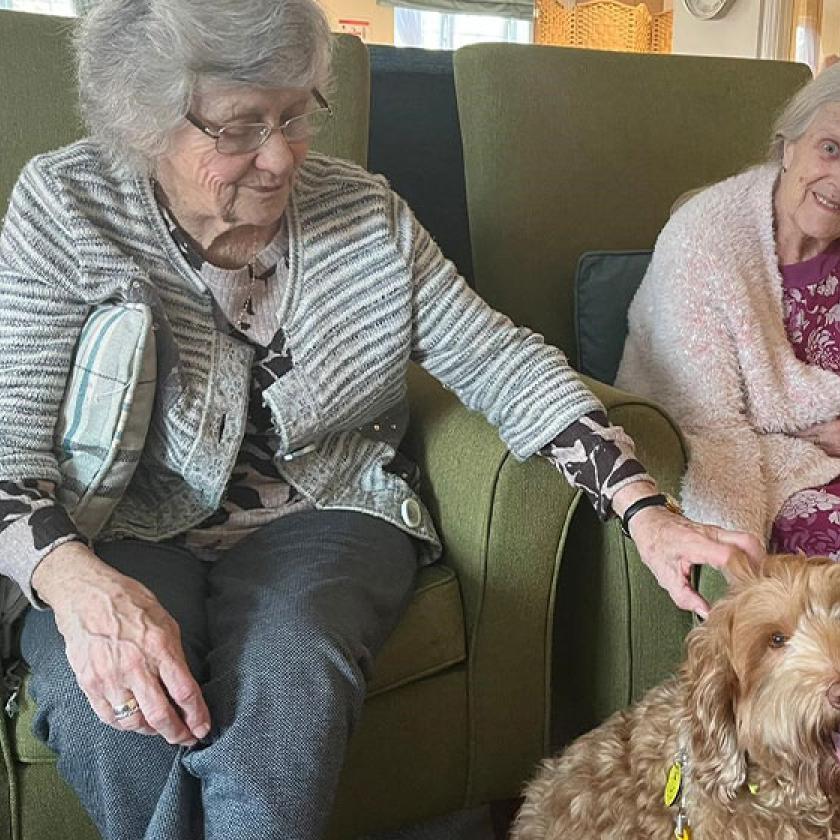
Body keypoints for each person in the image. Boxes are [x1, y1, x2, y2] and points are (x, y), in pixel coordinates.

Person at [0, 1, 760, 838]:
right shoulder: (67, 206)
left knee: (293, 682)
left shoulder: (365, 213)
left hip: (327, 509)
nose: (281, 155)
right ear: (144, 124)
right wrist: (73, 583)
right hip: (121, 521)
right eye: (240, 127)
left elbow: (496, 359)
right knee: (110, 703)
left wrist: (644, 510)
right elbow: (10, 445)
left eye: (295, 115)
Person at [617, 63, 840, 562]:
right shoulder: (705, 245)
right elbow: (711, 431)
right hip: (772, 474)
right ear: (788, 146)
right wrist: (736, 581)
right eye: (832, 148)